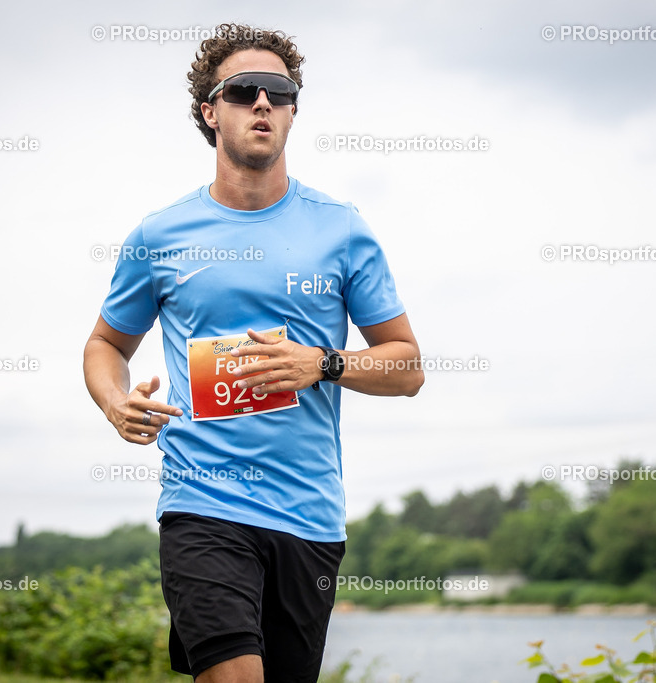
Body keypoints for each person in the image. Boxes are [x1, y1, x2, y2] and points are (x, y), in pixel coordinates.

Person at [83, 22, 423, 683]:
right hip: (201, 504)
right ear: (210, 111)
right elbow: (105, 343)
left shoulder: (342, 229)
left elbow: (406, 365)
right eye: (243, 90)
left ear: (294, 110)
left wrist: (321, 362)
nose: (262, 102)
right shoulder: (161, 235)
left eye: (279, 91)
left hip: (308, 515)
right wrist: (114, 400)